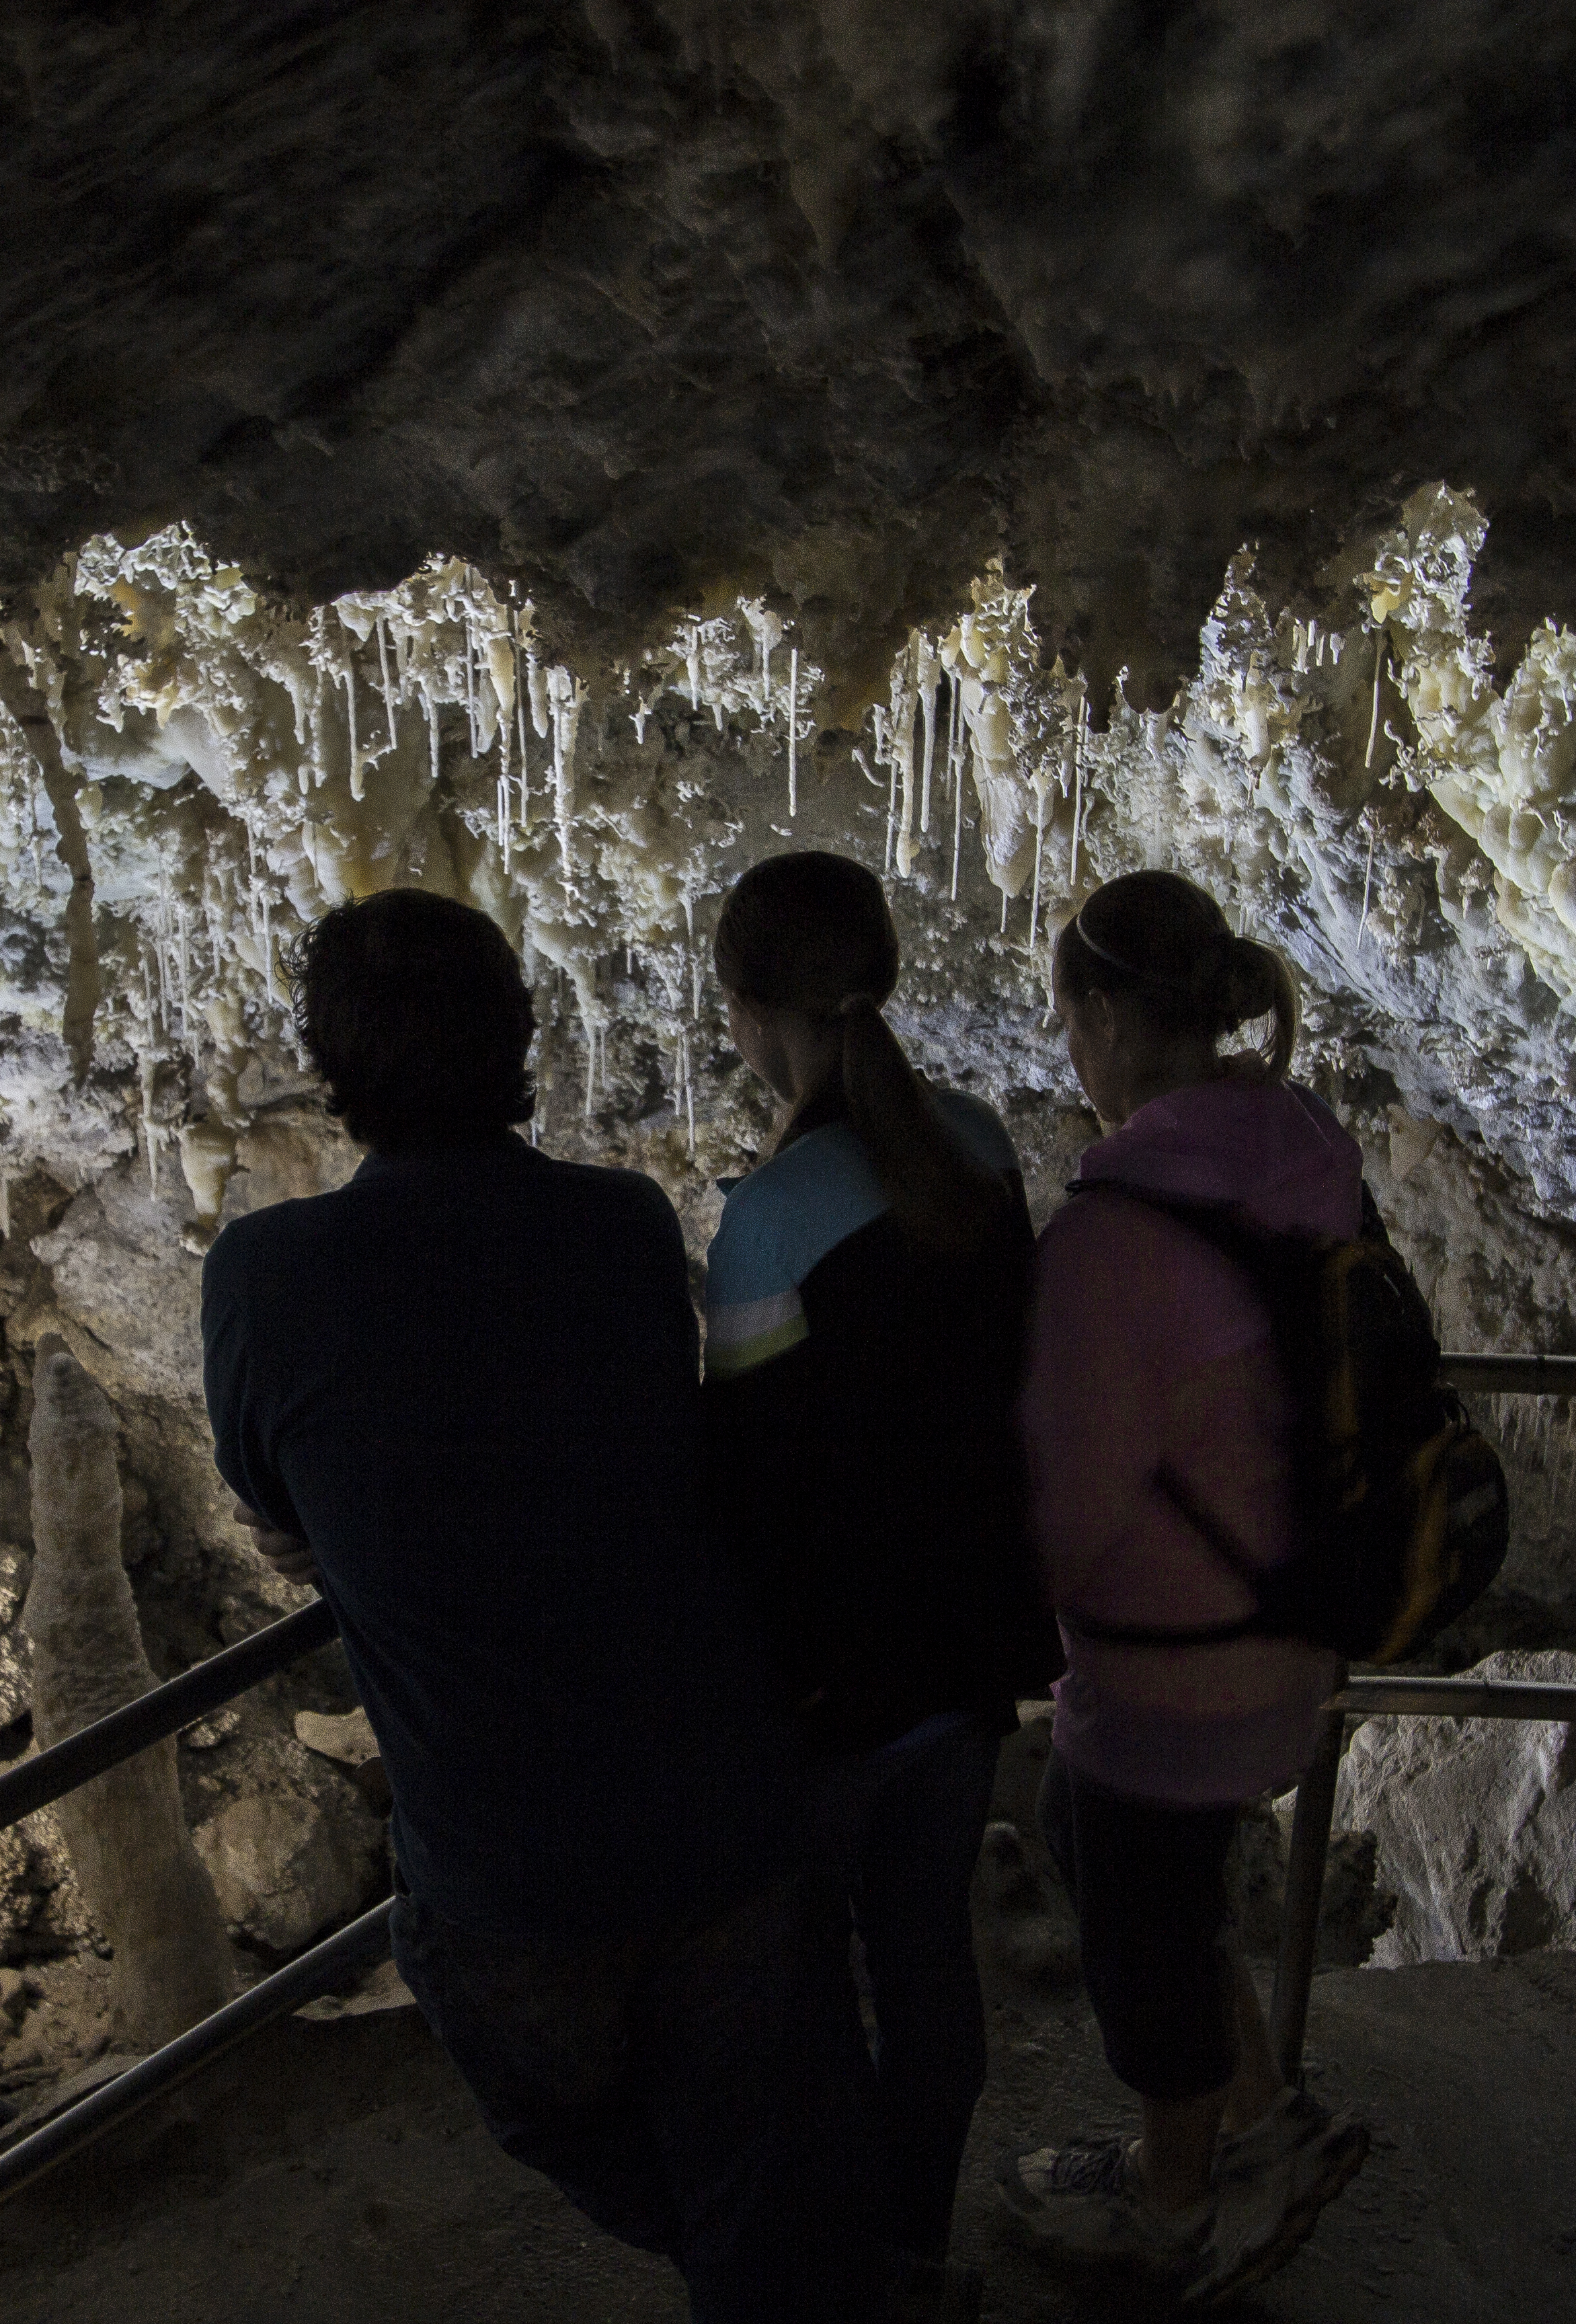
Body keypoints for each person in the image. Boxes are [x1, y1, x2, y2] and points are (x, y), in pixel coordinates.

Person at [199, 887, 904, 2324]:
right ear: (519, 1039)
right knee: (760, 2174)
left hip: (503, 1873)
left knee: (576, 2122)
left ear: (330, 1067)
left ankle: (764, 2267)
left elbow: (278, 1497)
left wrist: (350, 1529)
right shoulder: (621, 1228)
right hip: (719, 1809)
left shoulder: (265, 1279)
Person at [992, 870, 1373, 2298]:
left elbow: (1071, 1518)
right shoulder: (1305, 1144)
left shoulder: (1114, 1236)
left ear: (1098, 1017)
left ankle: (1179, 2200)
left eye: (1065, 1024)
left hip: (1172, 1663)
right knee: (1104, 1854)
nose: (1064, 1055)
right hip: (1303, 1623)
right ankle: (1269, 2122)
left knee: (1138, 1931)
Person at [699, 851, 1056, 2268]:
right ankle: (917, 2249)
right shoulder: (979, 1147)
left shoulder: (770, 1222)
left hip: (831, 1691)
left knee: (804, 1988)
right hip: (967, 1659)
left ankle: (836, 2267)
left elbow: (753, 1486)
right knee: (925, 1964)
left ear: (748, 1014)